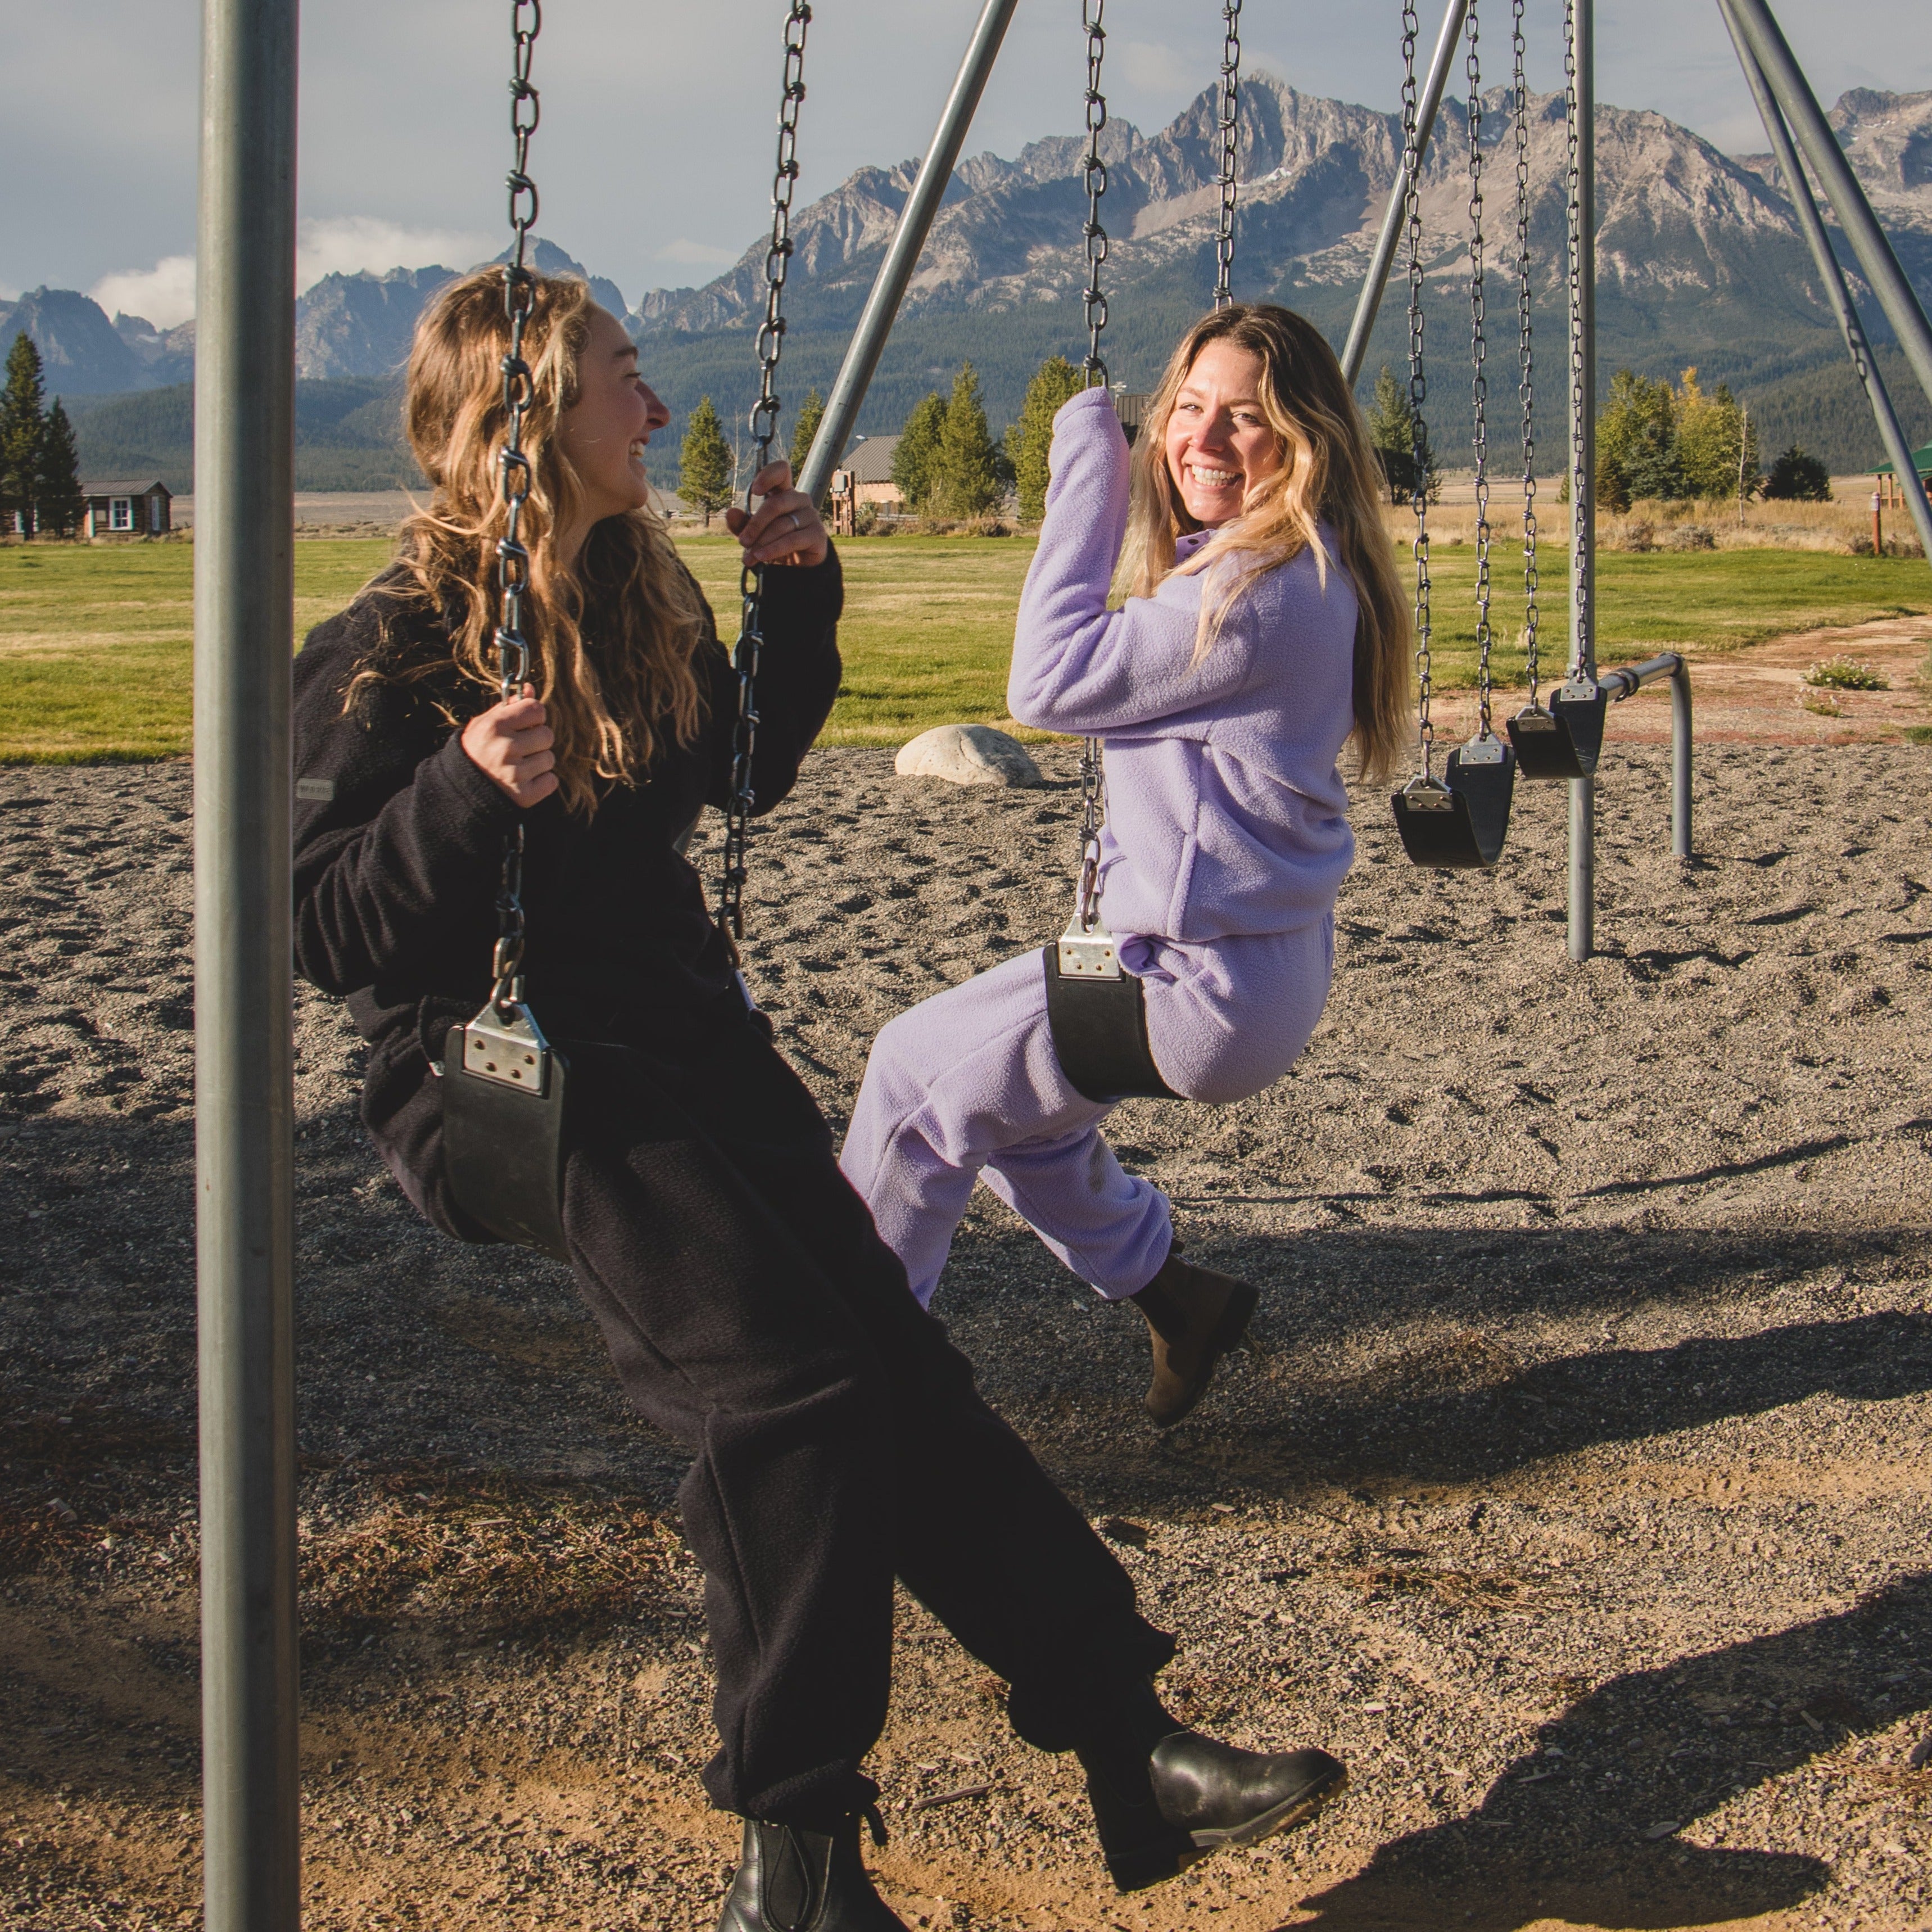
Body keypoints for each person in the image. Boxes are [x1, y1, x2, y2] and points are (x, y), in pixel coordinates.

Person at [289, 269, 1346, 1930]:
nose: (652, 410)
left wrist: (793, 599)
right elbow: (327, 922)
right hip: (510, 1079)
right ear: (526, 420)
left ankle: (1122, 1737)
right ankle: (794, 1863)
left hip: (683, 1049)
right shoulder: (389, 650)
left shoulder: (635, 590)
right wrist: (456, 793)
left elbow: (734, 774)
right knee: (785, 1389)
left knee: (897, 1362)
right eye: (622, 382)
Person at [840, 305, 1410, 1429]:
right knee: (1014, 1115)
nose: (1200, 439)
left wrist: (1085, 472)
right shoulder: (1298, 570)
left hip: (1192, 983)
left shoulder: (1254, 594)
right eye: (1185, 410)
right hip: (1241, 969)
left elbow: (1045, 683)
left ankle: (849, 1382)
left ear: (1302, 443)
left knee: (912, 1079)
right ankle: (1177, 1299)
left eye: (1243, 419)